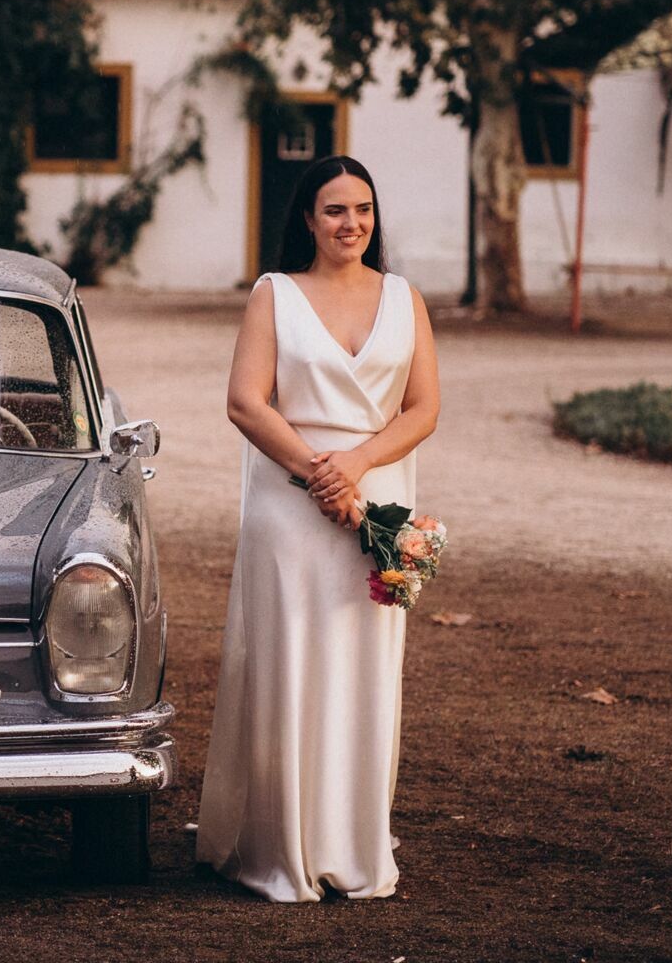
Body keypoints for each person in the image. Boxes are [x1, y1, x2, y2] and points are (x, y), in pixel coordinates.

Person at [195, 154, 441, 901]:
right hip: (290, 504)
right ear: (307, 217)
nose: (351, 223)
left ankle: (352, 843)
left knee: (364, 670)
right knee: (292, 665)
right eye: (335, 210)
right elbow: (246, 402)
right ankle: (281, 848)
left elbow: (424, 409)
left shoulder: (405, 299)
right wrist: (317, 472)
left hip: (377, 504)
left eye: (362, 209)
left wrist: (357, 467)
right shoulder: (275, 295)